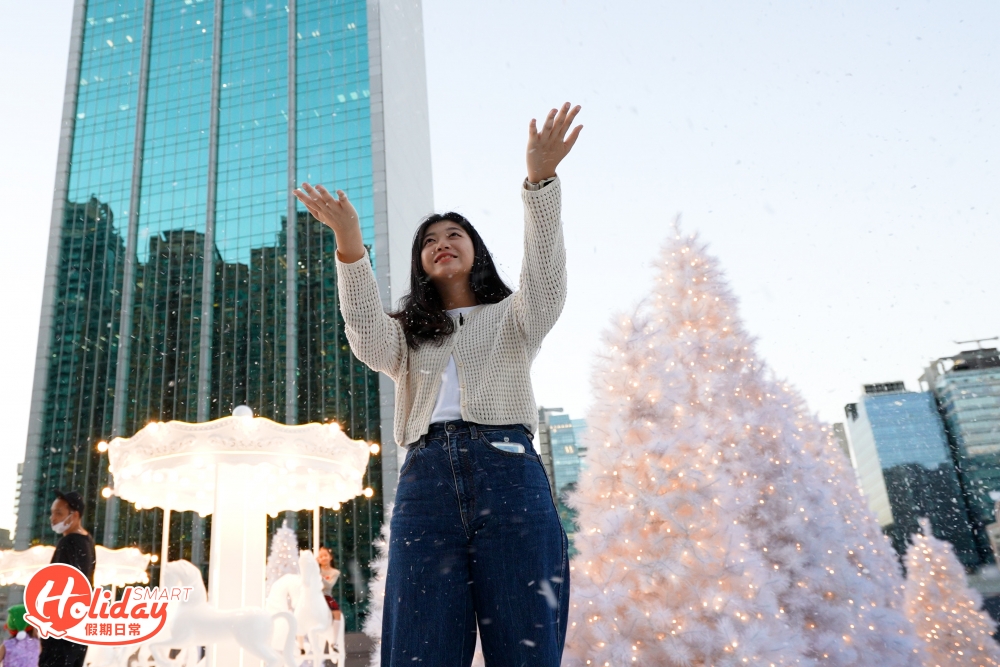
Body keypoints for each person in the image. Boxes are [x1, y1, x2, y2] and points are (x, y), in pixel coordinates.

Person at [294, 102, 582, 667]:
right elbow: (365, 337)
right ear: (420, 262)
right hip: (426, 484)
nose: (441, 242)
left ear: (476, 251)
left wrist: (540, 183)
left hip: (509, 476)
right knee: (419, 649)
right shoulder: (407, 337)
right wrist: (350, 243)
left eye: (455, 234)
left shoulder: (516, 316)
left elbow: (547, 277)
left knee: (526, 645)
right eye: (430, 240)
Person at [38, 491, 96, 667]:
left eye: (59, 513)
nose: (52, 518)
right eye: (52, 512)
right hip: (77, 626)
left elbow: (62, 586)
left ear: (75, 515)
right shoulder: (87, 541)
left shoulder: (70, 542)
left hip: (62, 628)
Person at [315, 545, 342, 621]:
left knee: (336, 612)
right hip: (314, 595)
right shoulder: (316, 570)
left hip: (326, 596)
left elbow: (329, 585)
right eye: (321, 556)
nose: (323, 558)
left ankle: (336, 631)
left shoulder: (335, 572)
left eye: (325, 555)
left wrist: (320, 576)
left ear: (330, 557)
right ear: (318, 559)